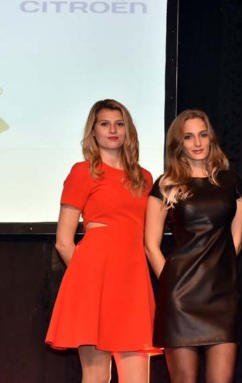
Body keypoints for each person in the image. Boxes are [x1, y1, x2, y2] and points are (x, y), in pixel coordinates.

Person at [45, 99, 156, 383]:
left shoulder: (144, 178)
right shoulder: (82, 172)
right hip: (93, 284)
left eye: (119, 124)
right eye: (105, 124)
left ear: (128, 130)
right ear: (93, 131)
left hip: (132, 284)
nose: (113, 130)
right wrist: (87, 280)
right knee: (95, 376)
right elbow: (63, 242)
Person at [144, 109, 242, 383]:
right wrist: (171, 282)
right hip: (180, 297)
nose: (197, 143)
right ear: (178, 144)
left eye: (202, 135)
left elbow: (236, 240)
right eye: (189, 137)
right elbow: (151, 245)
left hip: (222, 297)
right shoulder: (166, 185)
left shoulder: (232, 183)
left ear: (211, 137)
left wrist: (220, 274)